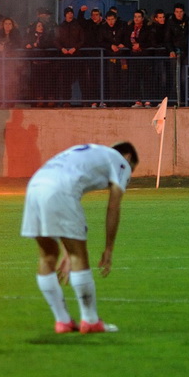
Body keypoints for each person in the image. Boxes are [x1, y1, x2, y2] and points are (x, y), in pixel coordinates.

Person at [21, 142, 138, 334]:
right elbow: (113, 207)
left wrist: (67, 250)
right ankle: (91, 321)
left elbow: (68, 188)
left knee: (47, 255)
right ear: (128, 158)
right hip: (60, 189)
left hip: (35, 185)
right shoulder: (120, 162)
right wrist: (109, 248)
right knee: (79, 256)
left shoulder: (90, 152)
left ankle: (63, 322)